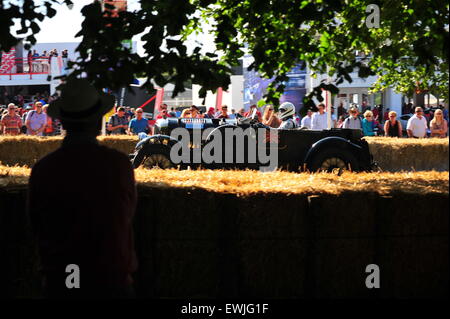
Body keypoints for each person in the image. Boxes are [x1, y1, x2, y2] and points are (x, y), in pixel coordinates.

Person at [28, 78, 137, 298]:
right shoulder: (118, 164)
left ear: (63, 123)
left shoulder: (45, 168)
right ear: (98, 122)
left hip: (65, 272)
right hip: (110, 271)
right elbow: (128, 214)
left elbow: (35, 224)